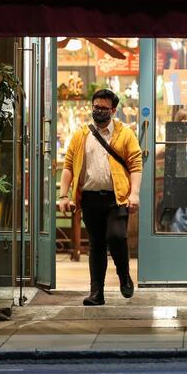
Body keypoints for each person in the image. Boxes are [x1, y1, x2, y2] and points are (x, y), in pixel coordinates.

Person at [58, 89, 142, 306]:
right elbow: (68, 166)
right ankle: (97, 293)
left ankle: (124, 276)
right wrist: (63, 195)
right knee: (96, 245)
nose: (99, 112)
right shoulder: (80, 135)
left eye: (104, 109)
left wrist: (134, 194)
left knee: (116, 237)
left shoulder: (125, 134)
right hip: (90, 198)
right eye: (96, 108)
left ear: (113, 110)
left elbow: (135, 165)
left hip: (117, 198)